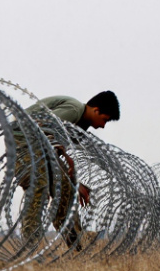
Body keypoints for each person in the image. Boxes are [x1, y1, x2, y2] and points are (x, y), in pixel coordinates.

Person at [15, 91, 120, 250]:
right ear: (96, 110)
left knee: (66, 188)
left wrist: (75, 182)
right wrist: (65, 155)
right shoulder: (75, 110)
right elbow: (43, 127)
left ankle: (77, 240)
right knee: (39, 188)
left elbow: (52, 146)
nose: (103, 126)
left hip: (41, 148)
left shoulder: (78, 125)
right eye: (104, 120)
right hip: (24, 142)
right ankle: (29, 245)